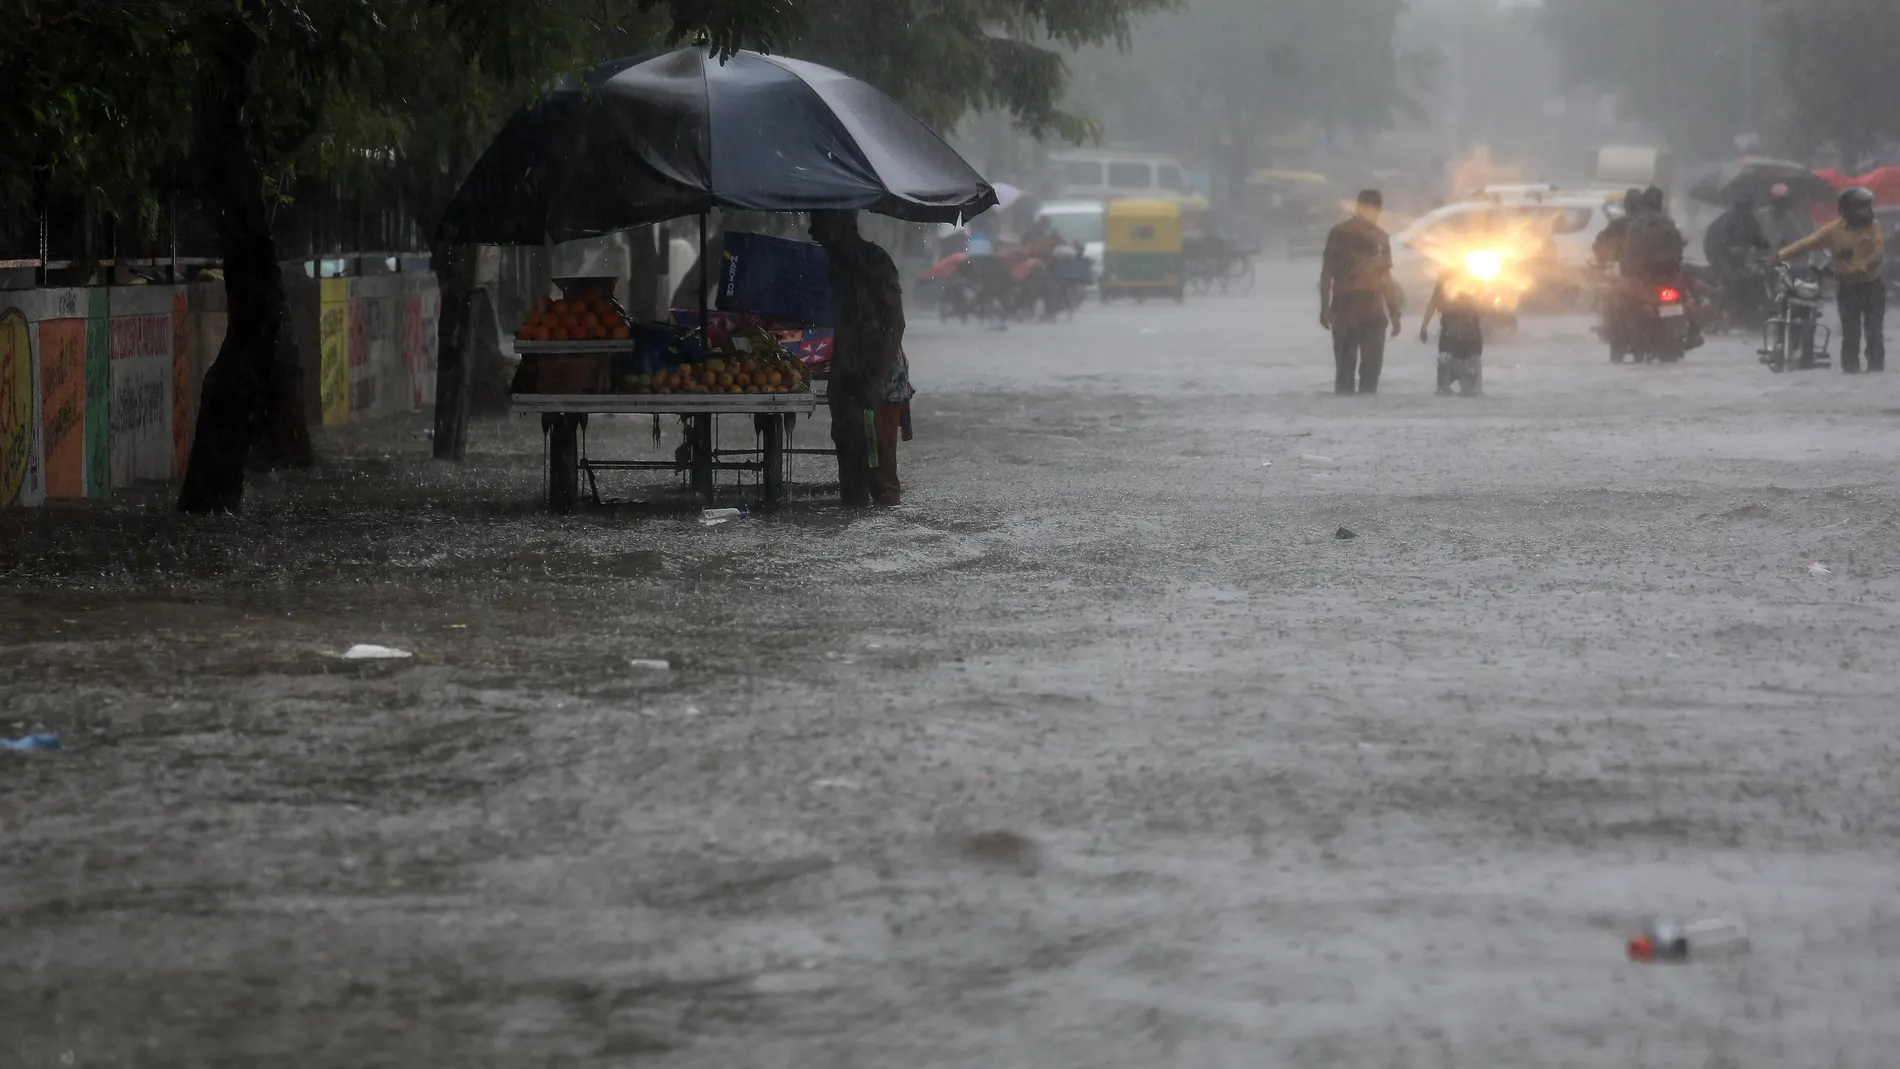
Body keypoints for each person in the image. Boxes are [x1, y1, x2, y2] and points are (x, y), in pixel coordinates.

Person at [810, 209, 907, 505]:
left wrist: (875, 381)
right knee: (850, 473)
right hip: (846, 376)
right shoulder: (832, 267)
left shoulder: (876, 262)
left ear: (839, 225)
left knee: (880, 475)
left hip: (880, 378)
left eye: (817, 223)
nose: (812, 232)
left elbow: (896, 323)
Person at [1776, 187, 1887, 373]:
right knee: (1850, 334)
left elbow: (1878, 254)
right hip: (1848, 289)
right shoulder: (1833, 231)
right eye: (1861, 207)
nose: (1866, 212)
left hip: (1872, 287)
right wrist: (1779, 256)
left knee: (1874, 332)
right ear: (1847, 209)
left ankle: (1876, 370)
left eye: (1867, 207)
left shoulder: (1874, 226)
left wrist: (1854, 268)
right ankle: (1851, 371)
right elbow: (1807, 244)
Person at [1319, 189, 1402, 394]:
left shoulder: (1381, 238)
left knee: (1367, 375)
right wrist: (1324, 307)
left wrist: (1393, 312)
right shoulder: (1341, 234)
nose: (1373, 215)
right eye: (1370, 210)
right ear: (1358, 208)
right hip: (1348, 308)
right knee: (1349, 375)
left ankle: (1361, 421)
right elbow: (1327, 274)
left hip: (1368, 310)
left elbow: (1385, 279)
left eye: (1375, 211)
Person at [1418, 268, 1485, 396]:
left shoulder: (1475, 283)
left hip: (1467, 339)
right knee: (1448, 382)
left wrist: (1424, 327)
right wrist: (1424, 327)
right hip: (1455, 338)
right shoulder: (1445, 283)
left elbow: (1432, 304)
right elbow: (1432, 304)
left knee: (1467, 385)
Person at [1756, 182, 1815, 260]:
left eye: (1785, 200)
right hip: (1761, 258)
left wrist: (1809, 245)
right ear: (1774, 200)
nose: (1783, 203)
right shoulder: (1760, 215)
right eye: (1781, 200)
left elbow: (1800, 236)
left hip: (1780, 259)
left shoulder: (1788, 217)